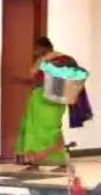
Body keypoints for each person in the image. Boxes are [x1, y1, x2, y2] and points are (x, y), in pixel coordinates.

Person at [15, 36, 78, 171]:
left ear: (42, 48)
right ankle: (61, 162)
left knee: (35, 130)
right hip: (58, 98)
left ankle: (35, 163)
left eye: (35, 49)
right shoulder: (67, 59)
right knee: (53, 129)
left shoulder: (44, 59)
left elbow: (32, 73)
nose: (34, 52)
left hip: (42, 98)